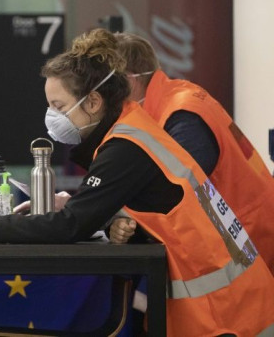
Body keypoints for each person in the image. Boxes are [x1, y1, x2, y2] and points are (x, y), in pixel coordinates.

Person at [0, 28, 274, 336]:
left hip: (228, 312)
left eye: (59, 105)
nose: (52, 116)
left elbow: (71, 226)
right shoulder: (129, 128)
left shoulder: (127, 145)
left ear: (94, 102)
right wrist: (117, 217)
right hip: (223, 302)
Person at [109, 32, 274, 274]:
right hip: (242, 229)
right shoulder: (173, 99)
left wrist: (119, 213)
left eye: (107, 85)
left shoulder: (182, 114)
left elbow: (174, 191)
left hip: (249, 237)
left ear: (129, 81)